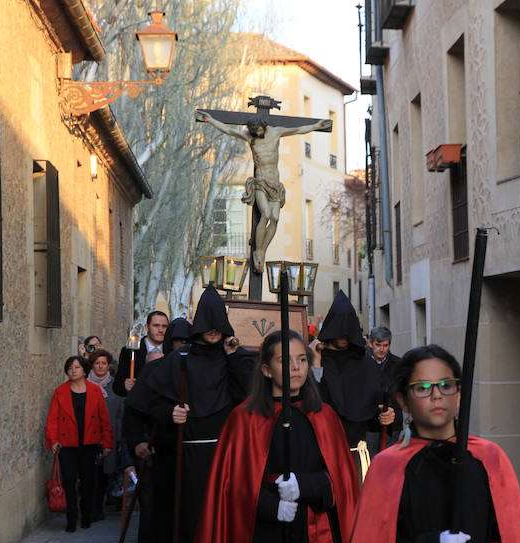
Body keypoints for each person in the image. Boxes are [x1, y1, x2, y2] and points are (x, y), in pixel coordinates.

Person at [338, 344, 520, 543]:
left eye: (446, 385)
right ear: (403, 401)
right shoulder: (387, 468)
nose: (437, 395)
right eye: (422, 388)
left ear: (459, 394)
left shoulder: (490, 459)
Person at [183, 330, 359, 543]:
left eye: (302, 359)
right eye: (285, 361)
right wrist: (270, 505)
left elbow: (343, 483)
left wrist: (306, 485)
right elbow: (230, 487)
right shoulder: (243, 420)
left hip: (316, 538)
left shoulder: (325, 416)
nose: (296, 367)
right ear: (266, 369)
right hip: (262, 538)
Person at [145, 285, 255, 543]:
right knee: (194, 525)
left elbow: (248, 394)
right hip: (191, 460)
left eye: (217, 324)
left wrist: (236, 356)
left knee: (227, 526)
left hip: (227, 458)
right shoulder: (179, 359)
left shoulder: (232, 358)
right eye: (206, 323)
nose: (212, 331)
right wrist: (171, 413)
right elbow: (148, 401)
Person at [195, 107, 332, 271]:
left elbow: (298, 130)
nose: (258, 133)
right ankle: (257, 251)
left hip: (275, 183)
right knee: (266, 215)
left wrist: (317, 126)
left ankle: (262, 251)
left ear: (264, 126)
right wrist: (210, 120)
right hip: (260, 181)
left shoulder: (276, 132)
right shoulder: (249, 137)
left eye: (260, 130)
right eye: (255, 132)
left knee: (275, 218)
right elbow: (228, 130)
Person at [123, 316, 192, 543]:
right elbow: (134, 410)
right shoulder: (155, 369)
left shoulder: (196, 368)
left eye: (186, 341)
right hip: (158, 449)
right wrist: (137, 443)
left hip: (188, 453)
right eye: (177, 341)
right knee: (152, 505)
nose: (182, 346)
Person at [311, 291, 393, 479]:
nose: (344, 334)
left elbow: (374, 418)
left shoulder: (366, 365)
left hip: (355, 457)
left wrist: (386, 417)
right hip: (319, 457)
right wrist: (315, 364)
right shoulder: (314, 359)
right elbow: (312, 407)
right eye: (340, 327)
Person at [45, 356, 115, 532]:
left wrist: (107, 442)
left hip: (88, 443)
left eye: (77, 367)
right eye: (70, 367)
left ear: (84, 370)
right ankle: (71, 517)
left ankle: (86, 515)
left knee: (88, 481)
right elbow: (52, 419)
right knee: (69, 482)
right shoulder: (60, 392)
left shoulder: (95, 391)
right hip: (67, 444)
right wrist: (53, 441)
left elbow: (103, 419)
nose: (73, 370)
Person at [87, 349, 134, 521]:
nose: (100, 366)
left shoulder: (115, 386)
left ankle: (100, 506)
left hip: (110, 436)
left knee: (105, 474)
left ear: (108, 366)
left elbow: (121, 413)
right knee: (89, 474)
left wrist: (121, 438)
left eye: (104, 363)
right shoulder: (84, 385)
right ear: (92, 365)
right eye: (97, 363)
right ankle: (90, 508)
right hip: (89, 437)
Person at [114, 310, 169, 397]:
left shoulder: (171, 351)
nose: (161, 330)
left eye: (164, 326)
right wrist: (124, 385)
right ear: (147, 327)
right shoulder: (130, 351)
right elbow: (117, 386)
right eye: (156, 325)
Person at [367, 325, 402, 454]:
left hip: (393, 424)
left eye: (385, 345)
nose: (382, 349)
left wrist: (392, 409)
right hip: (369, 423)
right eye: (378, 345)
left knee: (389, 461)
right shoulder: (362, 363)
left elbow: (402, 392)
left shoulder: (398, 364)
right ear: (370, 343)